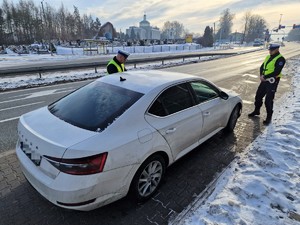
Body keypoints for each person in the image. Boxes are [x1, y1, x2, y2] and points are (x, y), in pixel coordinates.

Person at [248, 43, 286, 125]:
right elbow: (262, 67)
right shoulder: (268, 57)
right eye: (269, 50)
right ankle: (256, 110)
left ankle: (269, 117)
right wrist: (261, 75)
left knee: (268, 100)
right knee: (258, 96)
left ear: (277, 49)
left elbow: (277, 71)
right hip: (264, 80)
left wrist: (265, 76)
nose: (270, 51)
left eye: (271, 50)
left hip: (272, 81)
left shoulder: (281, 59)